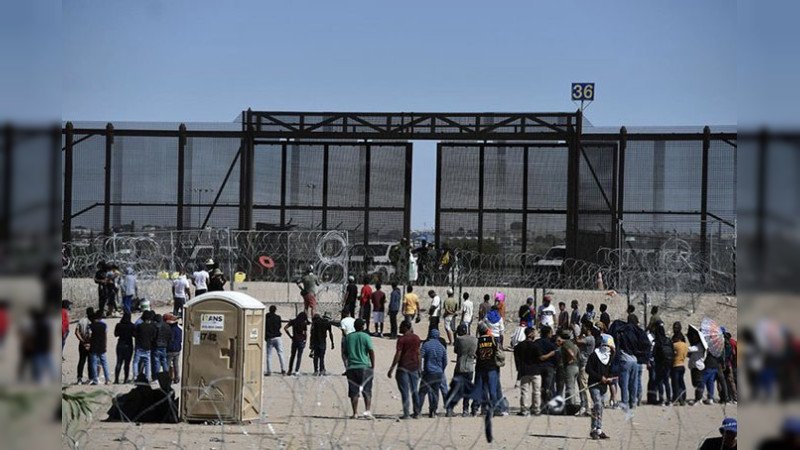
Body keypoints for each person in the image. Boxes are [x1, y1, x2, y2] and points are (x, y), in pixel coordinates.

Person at [387, 320, 421, 419]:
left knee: (405, 391)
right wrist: (420, 367)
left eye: (401, 327)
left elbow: (398, 354)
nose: (399, 328)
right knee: (414, 390)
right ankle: (417, 412)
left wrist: (391, 368)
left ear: (406, 327)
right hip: (414, 367)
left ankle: (406, 413)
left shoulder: (402, 339)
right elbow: (419, 353)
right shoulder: (416, 338)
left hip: (403, 367)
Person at [344, 318, 375, 419]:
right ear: (362, 326)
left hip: (352, 366)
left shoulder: (348, 337)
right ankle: (367, 411)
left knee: (354, 391)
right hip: (364, 366)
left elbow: (345, 352)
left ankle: (355, 413)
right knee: (367, 390)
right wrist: (373, 365)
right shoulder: (366, 336)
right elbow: (371, 351)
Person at [586, 335, 614, 440]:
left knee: (600, 407)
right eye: (606, 346)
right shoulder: (594, 355)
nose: (607, 348)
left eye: (608, 346)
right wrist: (599, 377)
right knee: (597, 404)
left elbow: (609, 371)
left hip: (603, 386)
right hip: (594, 384)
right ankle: (593, 429)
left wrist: (609, 378)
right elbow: (588, 369)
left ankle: (599, 429)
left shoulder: (609, 357)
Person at [447, 323, 477, 417]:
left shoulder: (459, 339)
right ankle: (465, 410)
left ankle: (450, 409)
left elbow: (456, 350)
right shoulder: (474, 339)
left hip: (460, 367)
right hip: (470, 368)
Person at [470, 322, 500, 416]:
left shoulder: (477, 341)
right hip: (491, 367)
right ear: (487, 330)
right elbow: (498, 351)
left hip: (480, 367)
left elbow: (474, 354)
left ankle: (476, 408)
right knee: (492, 390)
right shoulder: (493, 339)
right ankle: (494, 409)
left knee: (479, 389)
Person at [418, 328, 448, 417]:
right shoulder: (442, 347)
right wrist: (441, 370)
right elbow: (445, 361)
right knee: (435, 392)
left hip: (428, 372)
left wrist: (420, 369)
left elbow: (420, 356)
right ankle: (433, 411)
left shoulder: (426, 345)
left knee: (422, 392)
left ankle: (418, 411)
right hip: (438, 373)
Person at [514, 326, 541, 416]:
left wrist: (519, 369)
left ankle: (524, 410)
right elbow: (540, 358)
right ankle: (536, 409)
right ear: (530, 334)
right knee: (536, 392)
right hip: (535, 371)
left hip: (524, 371)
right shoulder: (536, 346)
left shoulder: (519, 346)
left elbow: (517, 359)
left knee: (524, 392)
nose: (535, 335)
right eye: (533, 333)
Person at [575, 321, 596, 416]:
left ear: (587, 328)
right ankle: (583, 406)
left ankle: (588, 408)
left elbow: (578, 341)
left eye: (583, 327)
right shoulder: (586, 338)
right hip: (582, 364)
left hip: (585, 365)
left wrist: (575, 331)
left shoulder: (590, 338)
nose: (582, 328)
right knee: (581, 386)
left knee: (584, 386)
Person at [536, 325, 558, 410]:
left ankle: (541, 404)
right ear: (548, 333)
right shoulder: (552, 344)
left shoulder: (537, 342)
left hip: (539, 367)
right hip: (549, 367)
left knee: (540, 387)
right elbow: (556, 356)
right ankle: (549, 405)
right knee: (549, 387)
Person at [557, 330, 580, 413]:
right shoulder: (572, 343)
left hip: (570, 367)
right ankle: (572, 403)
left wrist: (570, 360)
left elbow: (571, 353)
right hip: (576, 367)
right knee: (573, 387)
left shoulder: (565, 344)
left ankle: (570, 406)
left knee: (569, 387)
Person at [652, 321, 673, 405]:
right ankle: (669, 400)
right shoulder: (668, 340)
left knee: (660, 382)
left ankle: (661, 400)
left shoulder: (657, 341)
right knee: (667, 382)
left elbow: (654, 353)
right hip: (668, 363)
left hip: (659, 364)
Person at [133, 310, 157, 382]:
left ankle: (135, 376)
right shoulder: (151, 327)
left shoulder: (139, 326)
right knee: (147, 363)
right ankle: (147, 377)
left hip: (139, 347)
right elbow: (153, 337)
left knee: (136, 362)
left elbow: (135, 334)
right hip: (148, 347)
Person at [89, 311, 110, 385]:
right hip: (102, 346)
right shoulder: (104, 325)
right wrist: (105, 345)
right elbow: (105, 336)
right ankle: (107, 379)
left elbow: (89, 336)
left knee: (94, 363)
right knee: (104, 363)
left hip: (94, 346)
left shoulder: (91, 326)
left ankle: (95, 380)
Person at [284, 311, 309, 376]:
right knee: (299, 357)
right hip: (301, 340)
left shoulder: (293, 321)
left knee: (292, 356)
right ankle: (296, 370)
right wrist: (305, 341)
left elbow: (285, 328)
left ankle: (290, 370)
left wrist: (290, 336)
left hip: (294, 340)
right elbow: (305, 333)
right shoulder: (304, 323)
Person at [114, 312, 135, 384]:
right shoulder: (132, 325)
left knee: (119, 362)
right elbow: (134, 335)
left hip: (120, 344)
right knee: (127, 364)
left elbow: (116, 334)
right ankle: (126, 379)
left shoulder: (118, 325)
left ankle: (116, 379)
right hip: (128, 345)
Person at [264, 305, 286, 376]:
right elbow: (279, 326)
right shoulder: (278, 317)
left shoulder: (267, 318)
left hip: (270, 337)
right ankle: (283, 369)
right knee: (280, 353)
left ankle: (269, 371)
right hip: (277, 336)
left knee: (269, 355)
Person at [75, 307, 94, 384]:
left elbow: (76, 332)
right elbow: (92, 334)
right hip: (91, 343)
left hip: (82, 343)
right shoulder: (93, 321)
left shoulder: (81, 320)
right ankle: (91, 378)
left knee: (81, 361)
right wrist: (89, 343)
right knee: (90, 361)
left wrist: (82, 341)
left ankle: (79, 378)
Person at [672, 323, 689, 405]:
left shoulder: (674, 345)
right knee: (682, 383)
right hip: (682, 365)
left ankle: (678, 399)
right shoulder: (685, 345)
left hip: (675, 365)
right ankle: (683, 398)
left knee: (676, 384)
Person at [165, 314, 182, 384]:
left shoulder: (170, 330)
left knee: (167, 365)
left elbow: (169, 340)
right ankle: (177, 378)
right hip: (177, 350)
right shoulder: (179, 330)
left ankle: (167, 379)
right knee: (176, 365)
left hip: (170, 350)